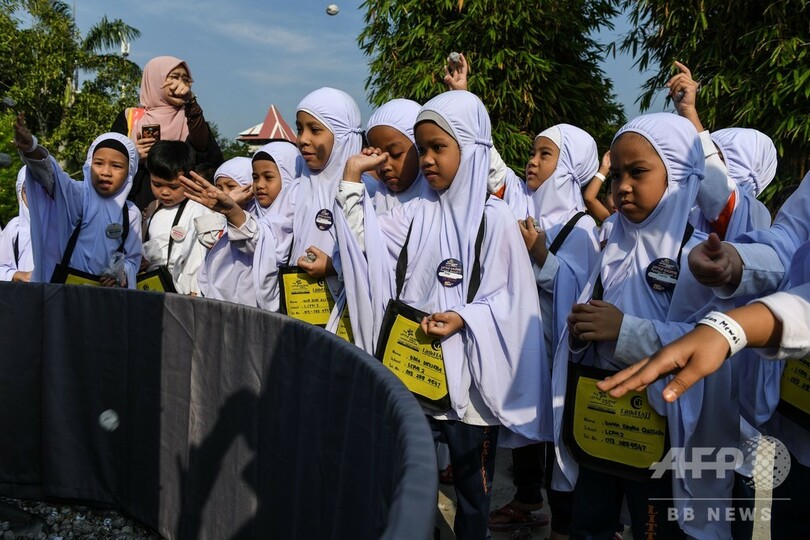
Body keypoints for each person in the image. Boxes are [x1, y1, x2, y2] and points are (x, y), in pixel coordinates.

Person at [337, 90, 551, 540]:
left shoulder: (495, 219)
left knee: (473, 491)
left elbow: (512, 302)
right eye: (422, 149)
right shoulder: (417, 212)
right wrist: (352, 182)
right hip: (418, 373)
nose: (428, 159)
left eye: (439, 147)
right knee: (415, 476)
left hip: (472, 392)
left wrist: (463, 318)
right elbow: (365, 249)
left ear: (470, 150)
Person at [559, 113, 739, 539]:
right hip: (601, 421)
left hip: (661, 435)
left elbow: (711, 348)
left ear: (676, 176)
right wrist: (582, 331)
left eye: (637, 172)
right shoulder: (612, 245)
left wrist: (623, 331)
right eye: (616, 174)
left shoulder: (702, 257)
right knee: (590, 523)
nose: (622, 186)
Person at [14, 114, 141, 287]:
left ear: (130, 171)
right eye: (98, 163)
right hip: (68, 291)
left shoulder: (131, 213)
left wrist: (119, 272)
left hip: (105, 295)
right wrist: (31, 149)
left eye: (116, 166)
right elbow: (50, 175)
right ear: (89, 165)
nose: (105, 172)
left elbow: (133, 260)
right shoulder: (78, 195)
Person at [186, 142, 301, 305]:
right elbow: (210, 242)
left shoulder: (291, 216)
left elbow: (260, 243)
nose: (259, 185)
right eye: (255, 178)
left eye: (268, 177)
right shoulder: (247, 215)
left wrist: (231, 210)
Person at [111, 56, 223, 209]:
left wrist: (191, 101)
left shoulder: (192, 118)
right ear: (154, 80)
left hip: (184, 210)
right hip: (135, 205)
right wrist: (133, 156)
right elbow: (109, 162)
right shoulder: (130, 118)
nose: (180, 84)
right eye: (174, 77)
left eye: (186, 79)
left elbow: (206, 151)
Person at [140, 140, 211, 295]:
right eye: (157, 184)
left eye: (173, 187)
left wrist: (195, 289)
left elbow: (200, 256)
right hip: (154, 288)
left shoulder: (198, 208)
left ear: (190, 179)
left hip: (185, 292)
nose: (164, 192)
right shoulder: (153, 208)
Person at [0, 167, 34, 282]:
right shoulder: (15, 228)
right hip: (24, 292)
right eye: (28, 190)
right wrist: (17, 275)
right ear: (20, 195)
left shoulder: (64, 226)